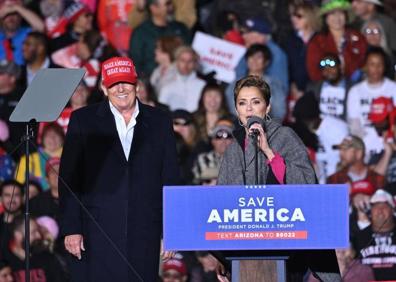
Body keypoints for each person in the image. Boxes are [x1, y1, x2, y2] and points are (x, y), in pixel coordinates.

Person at [59, 56, 180, 281]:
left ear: (136, 85)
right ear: (104, 88)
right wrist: (72, 227)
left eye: (125, 82)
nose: (121, 89)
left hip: (145, 229)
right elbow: (69, 179)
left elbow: (170, 177)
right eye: (114, 84)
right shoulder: (83, 121)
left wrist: (171, 230)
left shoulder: (160, 121)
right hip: (96, 231)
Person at [217, 75, 340, 281]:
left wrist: (269, 152)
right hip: (245, 252)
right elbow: (221, 203)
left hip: (287, 250)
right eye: (242, 103)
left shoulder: (285, 136)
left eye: (256, 102)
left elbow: (307, 183)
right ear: (236, 110)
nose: (249, 109)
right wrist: (223, 258)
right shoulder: (232, 150)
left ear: (267, 107)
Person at [306, 0, 367, 82]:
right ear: (325, 18)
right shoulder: (317, 42)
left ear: (346, 16)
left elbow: (366, 63)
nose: (337, 17)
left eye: (341, 13)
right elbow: (314, 72)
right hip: (327, 90)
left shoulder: (357, 37)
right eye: (332, 13)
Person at [352, 189, 396, 280]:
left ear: (392, 210)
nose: (380, 210)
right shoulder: (358, 237)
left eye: (384, 206)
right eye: (375, 206)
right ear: (370, 212)